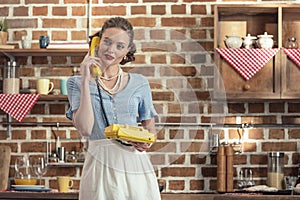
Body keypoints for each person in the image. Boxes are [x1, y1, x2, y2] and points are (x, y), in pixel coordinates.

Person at [66, 17, 161, 200]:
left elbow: (150, 128)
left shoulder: (140, 83)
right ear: (97, 43)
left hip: (135, 165)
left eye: (119, 46)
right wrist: (86, 80)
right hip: (99, 166)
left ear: (127, 52)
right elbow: (85, 129)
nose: (111, 50)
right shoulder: (76, 83)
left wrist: (146, 141)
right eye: (107, 42)